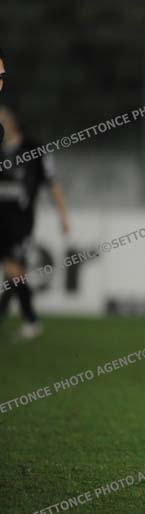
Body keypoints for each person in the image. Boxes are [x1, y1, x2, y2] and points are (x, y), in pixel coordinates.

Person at [0, 104, 70, 339]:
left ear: (12, 123)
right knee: (11, 272)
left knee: (13, 269)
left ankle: (31, 321)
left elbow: (52, 184)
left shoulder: (34, 149)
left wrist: (63, 216)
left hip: (20, 223)